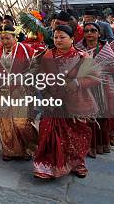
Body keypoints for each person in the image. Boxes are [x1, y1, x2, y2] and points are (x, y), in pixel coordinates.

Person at [33, 25, 98, 180]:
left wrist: (76, 83)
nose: (58, 40)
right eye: (55, 37)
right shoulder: (48, 55)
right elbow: (41, 76)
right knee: (48, 132)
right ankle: (47, 167)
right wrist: (45, 91)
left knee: (76, 134)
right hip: (52, 101)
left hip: (75, 102)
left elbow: (95, 77)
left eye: (62, 37)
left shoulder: (83, 57)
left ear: (72, 39)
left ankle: (77, 163)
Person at [0, 25, 38, 161]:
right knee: (5, 122)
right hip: (2, 90)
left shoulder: (26, 49)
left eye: (8, 38)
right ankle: (9, 151)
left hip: (21, 90)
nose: (5, 41)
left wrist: (22, 79)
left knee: (21, 123)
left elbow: (35, 67)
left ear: (15, 37)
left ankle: (28, 148)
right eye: (2, 38)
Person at [76, 22, 114, 156]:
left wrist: (97, 68)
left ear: (99, 34)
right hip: (85, 88)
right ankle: (86, 145)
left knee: (102, 116)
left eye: (93, 30)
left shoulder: (105, 49)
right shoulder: (78, 48)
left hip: (103, 87)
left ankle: (101, 144)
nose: (89, 33)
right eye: (86, 31)